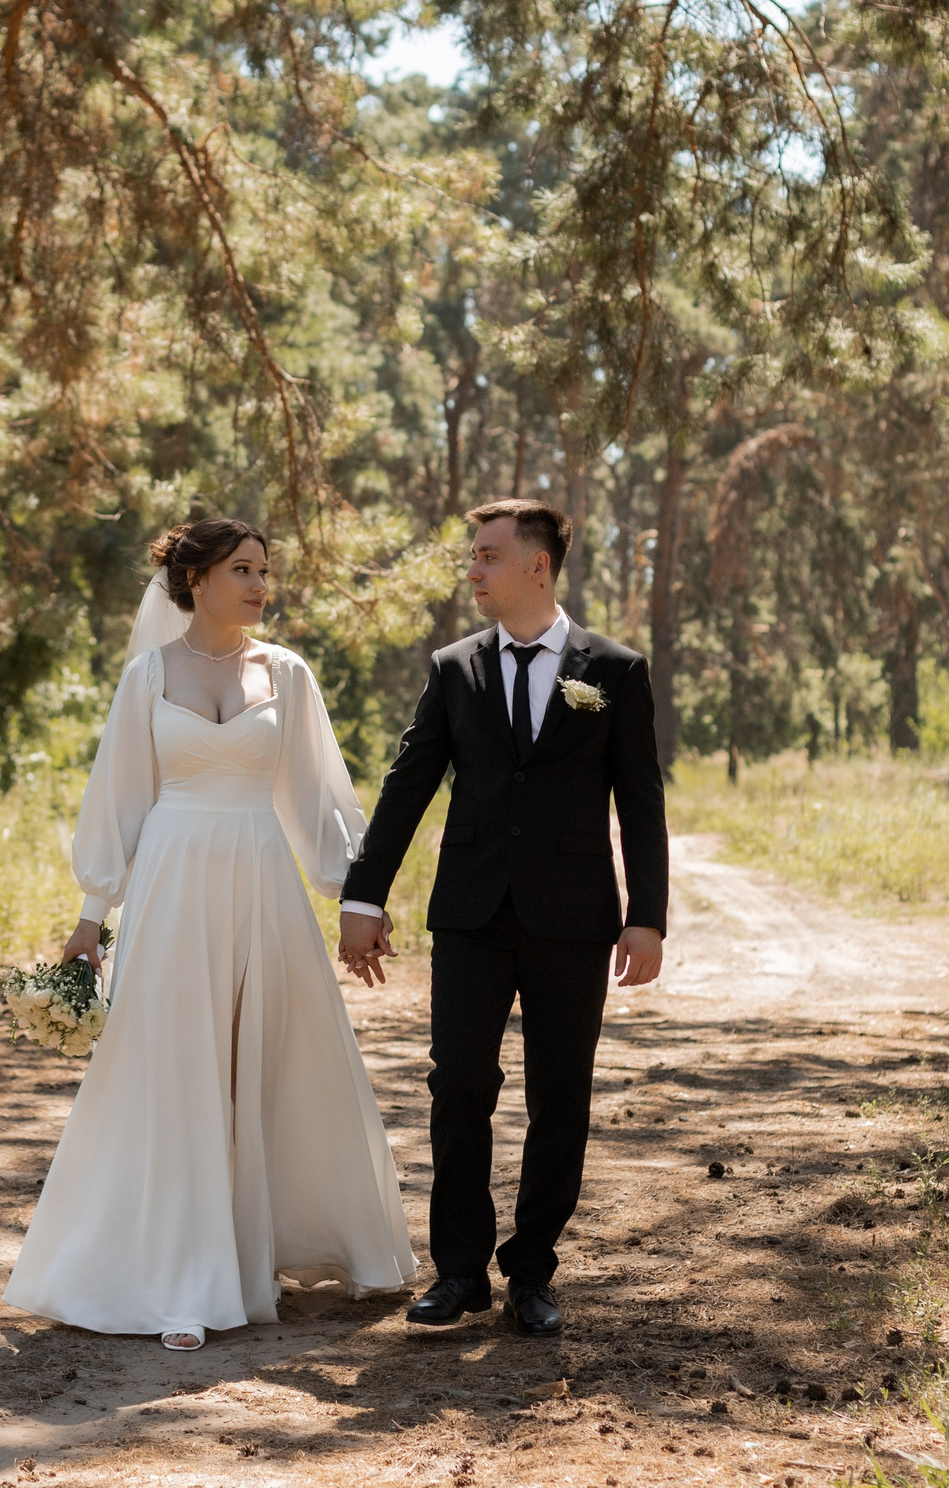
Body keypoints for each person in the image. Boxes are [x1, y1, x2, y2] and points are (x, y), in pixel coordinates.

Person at [3, 517, 417, 1352]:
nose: (262, 585)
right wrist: (93, 916)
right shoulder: (147, 677)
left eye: (266, 569)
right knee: (178, 1067)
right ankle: (181, 1280)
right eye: (243, 569)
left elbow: (319, 800)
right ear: (196, 580)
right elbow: (117, 800)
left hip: (261, 881)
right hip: (173, 882)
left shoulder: (288, 674)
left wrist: (355, 900)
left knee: (265, 1059)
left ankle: (255, 1251)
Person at [336, 498, 668, 1338]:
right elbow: (408, 784)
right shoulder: (455, 668)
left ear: (538, 566)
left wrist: (647, 915)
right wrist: (363, 896)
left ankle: (531, 1272)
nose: (473, 570)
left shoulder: (615, 669)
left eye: (487, 555)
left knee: (562, 1096)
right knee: (459, 1089)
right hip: (472, 917)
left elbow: (642, 799)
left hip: (574, 919)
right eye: (472, 556)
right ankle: (458, 1271)